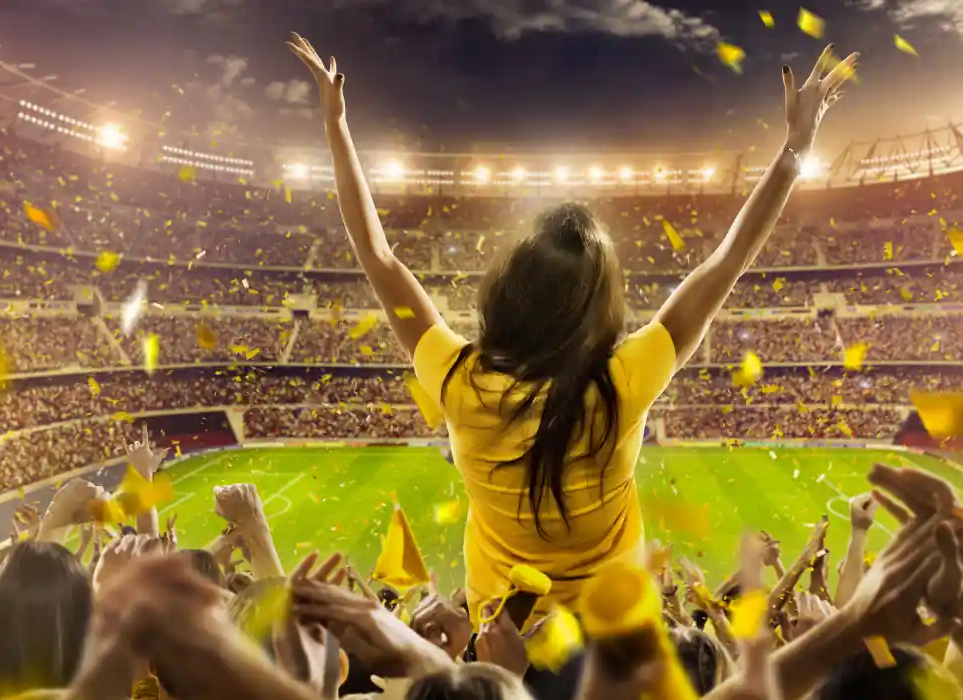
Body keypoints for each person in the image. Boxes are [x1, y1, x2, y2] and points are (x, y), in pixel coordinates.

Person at [288, 32, 858, 625]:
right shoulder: (622, 382)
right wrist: (792, 153)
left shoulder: (460, 381)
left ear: (506, 293)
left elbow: (379, 258)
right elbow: (728, 259)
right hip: (614, 640)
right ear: (598, 307)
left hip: (503, 639)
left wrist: (337, 126)